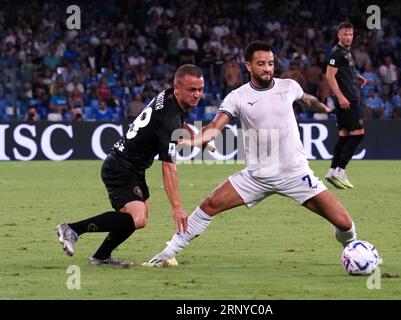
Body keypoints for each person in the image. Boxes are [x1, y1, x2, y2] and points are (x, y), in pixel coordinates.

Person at [143, 41, 358, 268]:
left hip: (295, 173)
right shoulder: (237, 97)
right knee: (210, 204)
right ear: (248, 66)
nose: (267, 68)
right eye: (261, 64)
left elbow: (307, 100)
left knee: (344, 223)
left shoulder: (289, 86)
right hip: (257, 176)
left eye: (271, 63)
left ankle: (353, 251)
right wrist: (196, 140)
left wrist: (323, 108)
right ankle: (168, 253)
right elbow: (215, 126)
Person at [56, 64, 205, 266]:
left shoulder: (169, 96)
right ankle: (72, 229)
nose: (197, 95)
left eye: (200, 89)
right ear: (177, 87)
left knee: (136, 216)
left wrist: (195, 136)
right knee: (137, 218)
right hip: (121, 167)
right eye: (192, 90)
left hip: (133, 167)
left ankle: (101, 257)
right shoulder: (168, 120)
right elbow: (168, 166)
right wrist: (177, 206)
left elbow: (178, 120)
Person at [325, 21, 366, 189]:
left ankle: (332, 170)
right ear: (339, 35)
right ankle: (340, 170)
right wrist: (340, 96)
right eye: (345, 34)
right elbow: (329, 76)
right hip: (348, 100)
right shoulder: (337, 53)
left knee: (344, 136)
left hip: (348, 98)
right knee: (358, 134)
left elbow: (344, 73)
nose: (348, 37)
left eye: (351, 34)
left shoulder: (346, 53)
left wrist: (357, 78)